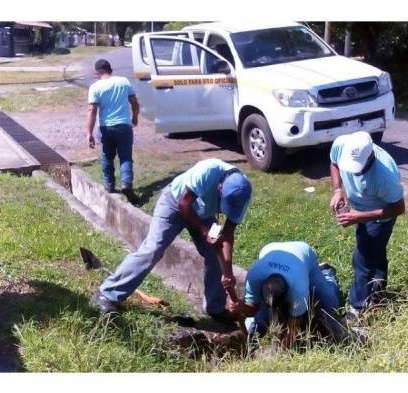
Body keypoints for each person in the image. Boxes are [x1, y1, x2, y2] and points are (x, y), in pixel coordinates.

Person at [92, 158, 252, 321]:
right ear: (219, 188)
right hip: (175, 203)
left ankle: (215, 308)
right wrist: (204, 231)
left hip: (204, 213)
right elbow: (184, 204)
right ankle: (107, 294)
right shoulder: (208, 170)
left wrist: (228, 274)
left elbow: (227, 235)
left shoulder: (243, 193)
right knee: (154, 249)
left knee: (215, 255)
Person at [329, 131, 405, 324]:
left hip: (380, 217)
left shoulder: (385, 175)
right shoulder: (342, 143)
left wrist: (360, 217)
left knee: (362, 259)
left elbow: (398, 207)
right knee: (375, 251)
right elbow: (334, 163)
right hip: (360, 212)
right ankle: (377, 291)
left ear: (370, 156)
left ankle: (357, 309)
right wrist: (338, 190)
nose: (353, 172)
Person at [228, 241, 347, 348]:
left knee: (330, 303)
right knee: (260, 320)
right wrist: (242, 307)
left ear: (288, 295)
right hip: (271, 248)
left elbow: (293, 329)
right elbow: (252, 309)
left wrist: (281, 352)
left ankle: (326, 272)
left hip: (303, 252)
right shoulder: (255, 277)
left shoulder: (298, 289)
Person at [86, 59, 139, 204]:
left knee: (107, 156)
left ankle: (109, 185)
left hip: (106, 127)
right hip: (124, 126)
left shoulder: (95, 87)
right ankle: (126, 184)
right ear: (111, 69)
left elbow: (92, 110)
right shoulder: (124, 82)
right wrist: (134, 116)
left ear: (97, 72)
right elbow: (134, 102)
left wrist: (89, 133)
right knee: (126, 156)